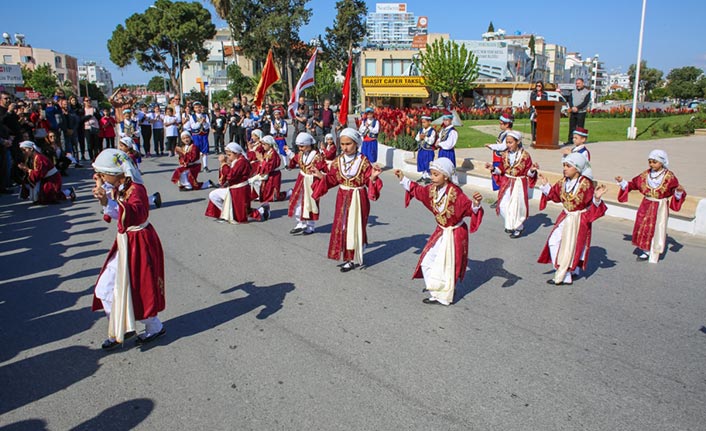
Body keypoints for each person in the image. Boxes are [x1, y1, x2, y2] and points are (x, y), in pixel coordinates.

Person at [91, 148, 166, 349]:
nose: (99, 177)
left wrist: (108, 201)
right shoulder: (121, 187)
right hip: (127, 241)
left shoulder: (136, 189)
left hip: (139, 241)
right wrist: (105, 198)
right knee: (105, 287)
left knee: (141, 286)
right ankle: (122, 325)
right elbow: (114, 214)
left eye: (102, 173)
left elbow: (137, 214)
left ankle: (152, 326)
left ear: (116, 174)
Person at [394, 158, 484, 305]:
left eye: (436, 175)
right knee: (427, 261)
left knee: (448, 265)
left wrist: (475, 204)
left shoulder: (455, 193)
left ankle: (443, 296)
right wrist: (403, 178)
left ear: (446, 176)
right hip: (441, 231)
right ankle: (437, 290)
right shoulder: (431, 190)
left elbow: (468, 208)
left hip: (455, 233)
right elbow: (418, 191)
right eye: (431, 174)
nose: (432, 177)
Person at [311, 128, 383, 272]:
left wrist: (373, 178)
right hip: (342, 196)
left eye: (348, 144)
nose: (345, 147)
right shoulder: (338, 161)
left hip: (358, 197)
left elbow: (370, 180)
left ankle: (354, 255)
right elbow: (332, 179)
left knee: (355, 226)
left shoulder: (363, 161)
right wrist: (321, 176)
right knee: (343, 226)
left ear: (356, 143)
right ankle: (350, 255)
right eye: (342, 144)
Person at [538, 153, 607, 285]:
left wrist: (597, 198)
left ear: (577, 168)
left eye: (568, 166)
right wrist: (546, 185)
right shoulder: (563, 182)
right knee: (554, 241)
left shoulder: (586, 184)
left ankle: (565, 274)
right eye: (564, 165)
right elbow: (555, 196)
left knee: (572, 247)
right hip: (565, 216)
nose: (565, 168)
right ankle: (565, 270)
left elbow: (592, 205)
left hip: (579, 219)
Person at [615, 150, 686, 263]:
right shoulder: (645, 174)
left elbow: (675, 190)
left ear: (662, 162)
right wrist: (623, 182)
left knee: (655, 227)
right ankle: (644, 248)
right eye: (650, 162)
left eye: (654, 162)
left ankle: (653, 249)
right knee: (642, 226)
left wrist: (678, 192)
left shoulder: (669, 177)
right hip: (646, 204)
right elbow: (634, 184)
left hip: (660, 206)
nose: (652, 164)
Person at [485, 131, 538, 238]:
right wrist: (493, 168)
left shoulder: (525, 156)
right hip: (507, 182)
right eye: (507, 143)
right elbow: (501, 169)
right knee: (502, 205)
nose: (508, 145)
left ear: (517, 142)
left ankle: (518, 228)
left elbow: (528, 173)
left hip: (519, 183)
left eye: (510, 142)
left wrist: (532, 170)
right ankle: (513, 224)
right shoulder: (505, 154)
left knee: (516, 207)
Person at [205, 142, 269, 223]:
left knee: (241, 212)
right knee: (214, 195)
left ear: (236, 153)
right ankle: (227, 213)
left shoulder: (241, 162)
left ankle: (262, 211)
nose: (228, 157)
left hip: (240, 189)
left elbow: (230, 176)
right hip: (233, 188)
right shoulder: (236, 161)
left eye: (229, 155)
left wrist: (224, 164)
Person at [284, 132, 328, 236]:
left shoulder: (317, 156)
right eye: (299, 146)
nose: (300, 148)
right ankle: (300, 222)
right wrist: (289, 152)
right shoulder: (300, 154)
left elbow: (325, 169)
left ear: (309, 144)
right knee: (298, 200)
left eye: (302, 146)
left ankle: (310, 225)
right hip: (301, 179)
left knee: (311, 203)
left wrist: (320, 174)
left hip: (312, 181)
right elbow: (295, 159)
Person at [117, 136, 162, 209]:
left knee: (130, 194)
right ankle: (153, 198)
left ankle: (122, 207)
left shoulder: (129, 157)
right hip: (127, 178)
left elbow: (127, 167)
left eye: (122, 146)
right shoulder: (125, 156)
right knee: (132, 196)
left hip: (131, 179)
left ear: (128, 147)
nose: (120, 148)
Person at [484, 113, 515, 206]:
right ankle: (501, 198)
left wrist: (491, 146)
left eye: (501, 123)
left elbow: (503, 146)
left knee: (502, 180)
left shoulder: (509, 135)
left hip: (502, 160)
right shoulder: (503, 133)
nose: (500, 125)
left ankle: (503, 199)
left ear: (507, 124)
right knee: (498, 179)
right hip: (497, 158)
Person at [253, 135, 285, 203]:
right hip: (268, 174)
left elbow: (270, 167)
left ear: (269, 144)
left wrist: (262, 161)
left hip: (273, 175)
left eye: (264, 144)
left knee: (271, 196)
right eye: (262, 144)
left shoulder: (273, 154)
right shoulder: (266, 152)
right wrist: (259, 143)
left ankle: (284, 194)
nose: (263, 146)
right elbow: (258, 151)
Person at [566, 78, 591, 145]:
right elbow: (570, 100)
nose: (577, 85)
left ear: (583, 83)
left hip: (581, 112)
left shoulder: (587, 92)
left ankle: (580, 141)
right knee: (572, 127)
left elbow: (585, 102)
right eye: (576, 83)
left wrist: (578, 108)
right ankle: (570, 140)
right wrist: (572, 107)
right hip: (573, 112)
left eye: (579, 83)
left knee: (580, 127)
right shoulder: (573, 92)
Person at [188, 101, 211, 172]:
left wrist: (204, 123)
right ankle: (195, 166)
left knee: (205, 150)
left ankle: (205, 166)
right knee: (196, 150)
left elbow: (208, 126)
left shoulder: (205, 115)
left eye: (199, 107)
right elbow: (193, 126)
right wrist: (199, 122)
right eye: (196, 108)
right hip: (196, 135)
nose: (198, 109)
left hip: (203, 135)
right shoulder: (192, 116)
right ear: (194, 109)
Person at [414, 115, 436, 183]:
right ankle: (423, 176)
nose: (423, 124)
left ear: (429, 122)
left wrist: (425, 138)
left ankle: (429, 177)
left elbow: (431, 141)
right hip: (421, 149)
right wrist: (420, 137)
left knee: (428, 163)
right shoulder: (421, 130)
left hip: (428, 150)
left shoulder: (432, 131)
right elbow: (417, 138)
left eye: (424, 122)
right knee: (421, 162)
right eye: (422, 122)